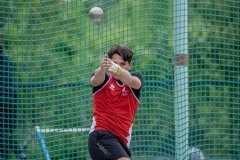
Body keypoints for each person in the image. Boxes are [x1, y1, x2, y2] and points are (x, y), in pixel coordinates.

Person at [88, 45, 144, 160]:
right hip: (101, 135)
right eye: (114, 63)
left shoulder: (135, 79)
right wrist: (102, 68)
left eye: (122, 64)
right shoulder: (103, 78)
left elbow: (131, 81)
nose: (118, 67)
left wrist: (116, 68)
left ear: (130, 65)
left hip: (122, 141)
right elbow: (94, 81)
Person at [0, 43, 26, 160]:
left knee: (2, 132)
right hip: (12, 102)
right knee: (6, 133)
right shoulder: (9, 62)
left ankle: (19, 153)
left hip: (2, 100)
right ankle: (10, 156)